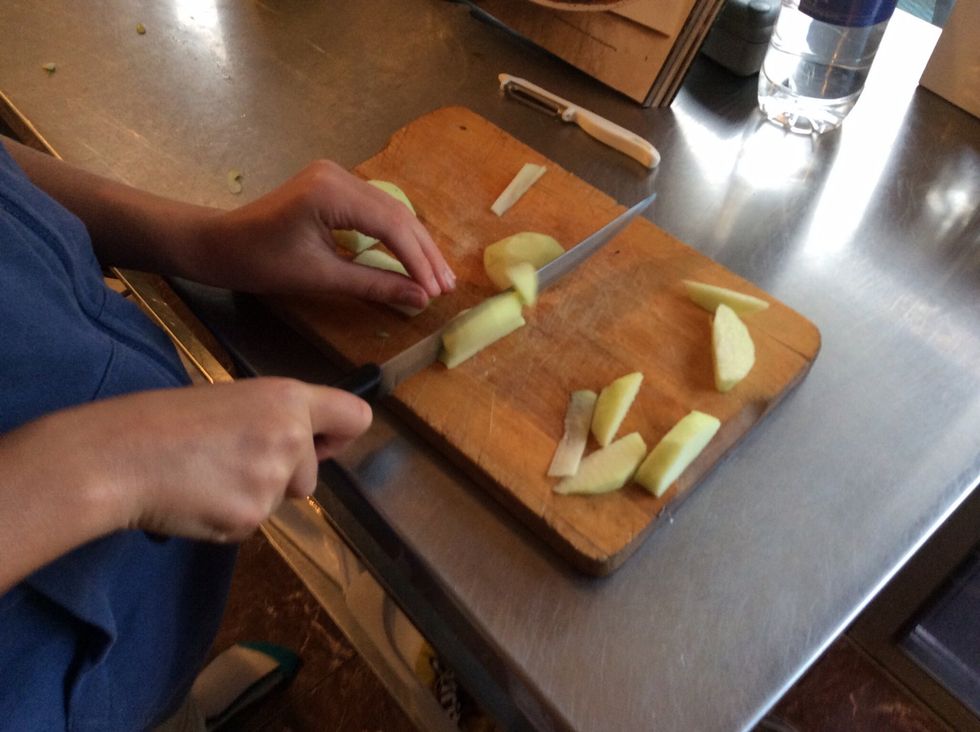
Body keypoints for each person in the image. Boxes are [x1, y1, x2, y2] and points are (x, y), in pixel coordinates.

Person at [0, 135, 455, 729]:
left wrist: (201, 241)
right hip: (28, 686)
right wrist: (108, 465)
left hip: (132, 603)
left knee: (162, 703)